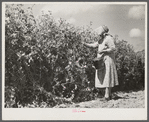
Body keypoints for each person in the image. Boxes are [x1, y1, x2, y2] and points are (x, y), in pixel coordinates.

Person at [82, 25, 119, 101]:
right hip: (102, 60)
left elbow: (113, 48)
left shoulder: (108, 38)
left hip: (108, 60)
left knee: (108, 76)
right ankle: (109, 95)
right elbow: (93, 45)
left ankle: (107, 96)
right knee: (105, 77)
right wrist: (85, 44)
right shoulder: (101, 40)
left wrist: (103, 51)